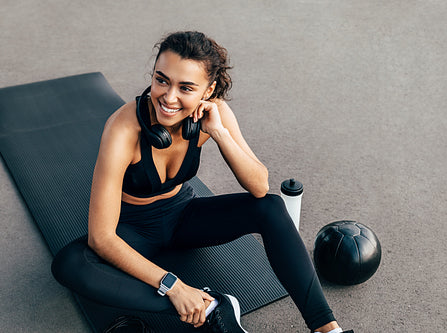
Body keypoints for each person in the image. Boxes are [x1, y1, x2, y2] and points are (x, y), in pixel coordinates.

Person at [52, 31, 353, 333]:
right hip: (132, 230)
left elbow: (259, 186)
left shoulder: (215, 114)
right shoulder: (122, 129)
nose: (169, 97)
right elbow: (101, 238)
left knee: (271, 207)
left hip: (183, 217)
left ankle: (327, 329)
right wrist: (173, 286)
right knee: (69, 265)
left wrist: (219, 133)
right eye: (161, 80)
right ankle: (211, 306)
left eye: (186, 87)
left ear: (207, 91)